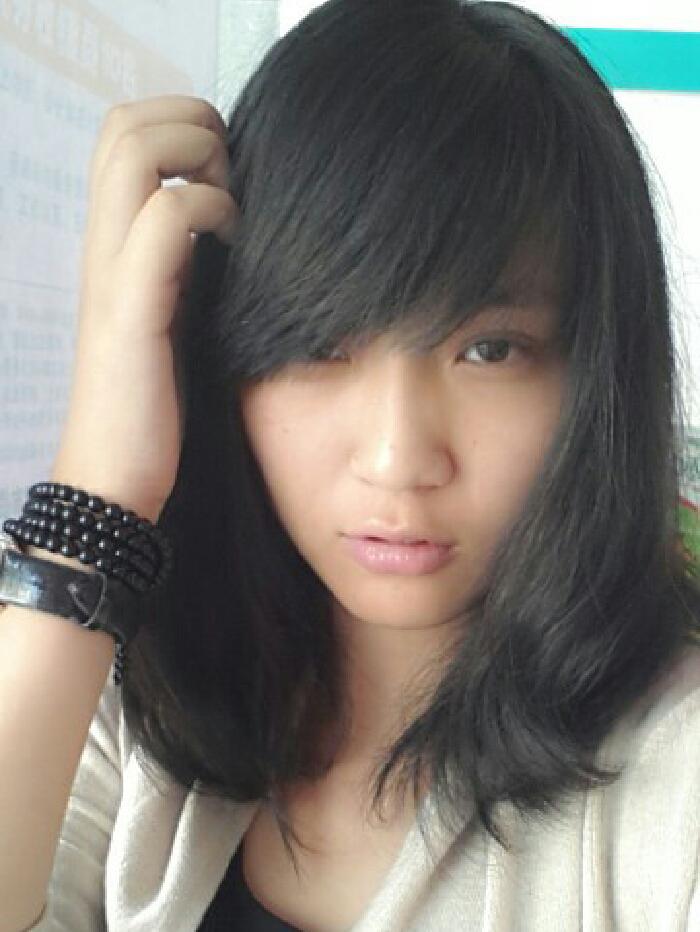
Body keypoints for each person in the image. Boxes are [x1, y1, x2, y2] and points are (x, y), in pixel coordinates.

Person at [1, 0, 699, 929]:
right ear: (225, 353)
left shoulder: (675, 779)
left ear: (596, 374)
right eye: (319, 344)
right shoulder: (128, 703)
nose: (397, 460)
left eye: (490, 350)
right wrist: (98, 489)